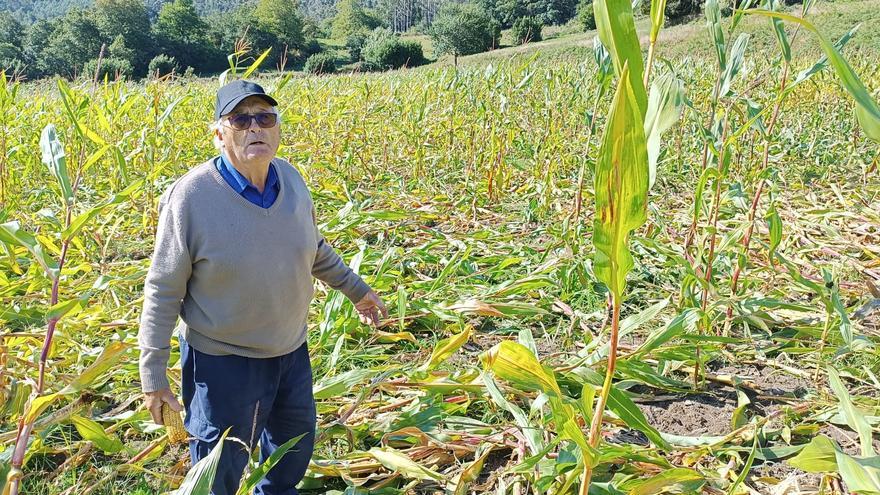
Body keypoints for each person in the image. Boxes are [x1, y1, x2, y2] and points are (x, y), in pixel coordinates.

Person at [137, 79, 388, 495]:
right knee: (221, 462)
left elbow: (313, 248)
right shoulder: (191, 199)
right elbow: (163, 290)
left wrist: (355, 289)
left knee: (293, 445)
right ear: (220, 134)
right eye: (241, 119)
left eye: (264, 117)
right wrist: (153, 374)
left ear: (276, 128)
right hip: (223, 362)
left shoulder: (290, 179)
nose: (255, 127)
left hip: (291, 351)